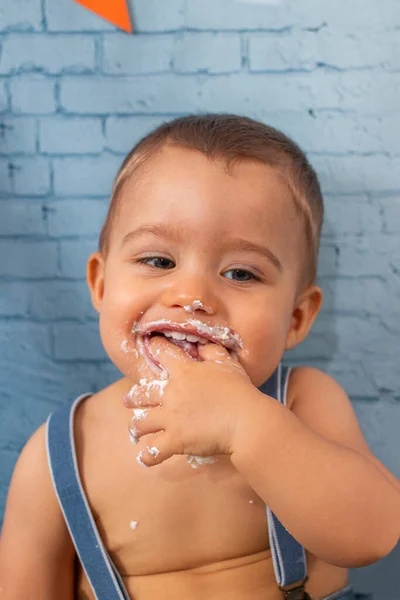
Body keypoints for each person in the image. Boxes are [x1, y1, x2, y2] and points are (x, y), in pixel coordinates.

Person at [0, 114, 399, 600]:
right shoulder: (59, 455)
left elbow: (373, 535)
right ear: (102, 286)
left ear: (296, 317)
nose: (191, 295)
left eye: (240, 274)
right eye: (159, 261)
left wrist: (246, 422)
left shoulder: (303, 401)